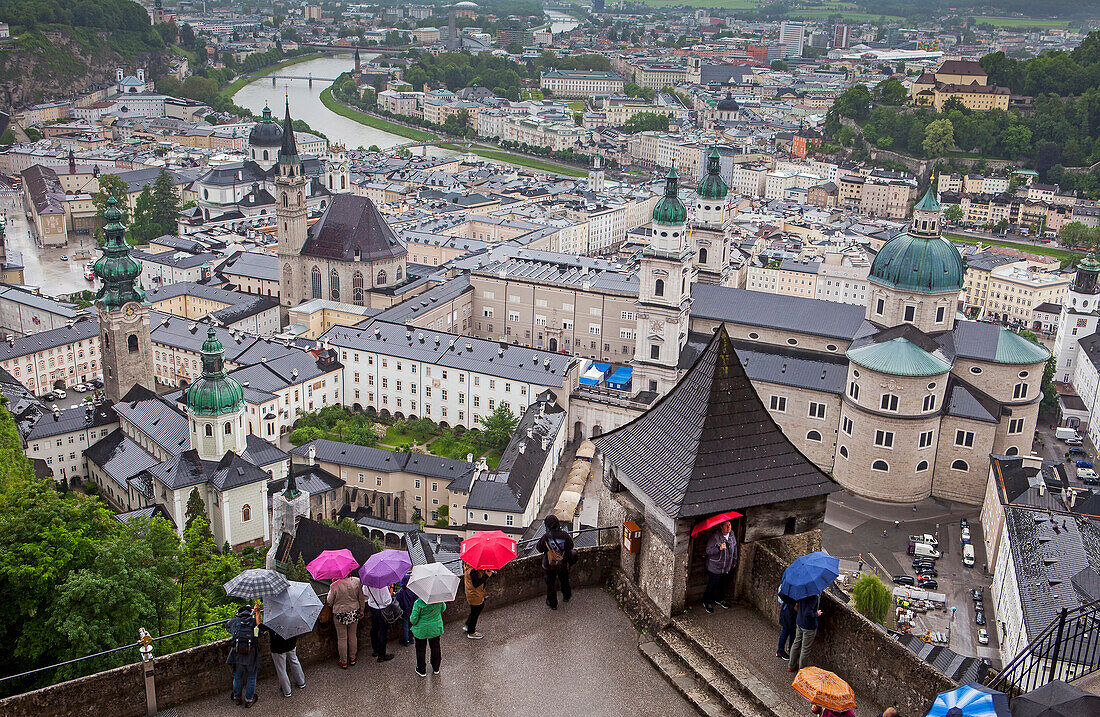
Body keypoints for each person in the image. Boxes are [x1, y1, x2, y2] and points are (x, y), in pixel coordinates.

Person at [326, 570, 365, 668]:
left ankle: (343, 661)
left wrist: (332, 585)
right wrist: (362, 610)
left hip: (340, 613)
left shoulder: (334, 585)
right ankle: (352, 658)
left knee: (342, 638)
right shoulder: (356, 581)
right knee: (352, 636)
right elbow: (361, 598)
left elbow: (329, 601)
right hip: (353, 611)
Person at [226, 602, 261, 707]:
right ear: (250, 612)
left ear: (238, 613)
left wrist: (236, 617)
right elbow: (259, 631)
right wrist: (255, 615)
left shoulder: (235, 621)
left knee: (237, 676)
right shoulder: (254, 621)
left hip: (237, 654)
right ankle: (249, 700)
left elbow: (228, 627)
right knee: (251, 677)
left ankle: (237, 698)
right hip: (251, 654)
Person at [536, 514, 574, 610]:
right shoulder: (564, 535)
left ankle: (552, 603)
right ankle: (566, 596)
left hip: (550, 563)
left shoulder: (546, 537)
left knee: (551, 583)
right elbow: (570, 546)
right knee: (564, 579)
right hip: (562, 562)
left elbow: (539, 548)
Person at [260, 625, 305, 699]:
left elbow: (261, 627)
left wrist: (257, 614)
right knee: (294, 661)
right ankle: (301, 682)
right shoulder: (291, 614)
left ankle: (287, 691)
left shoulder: (272, 618)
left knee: (281, 669)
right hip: (291, 642)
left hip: (278, 646)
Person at [703, 520, 738, 613]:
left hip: (727, 566)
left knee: (723, 584)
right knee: (712, 584)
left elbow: (735, 547)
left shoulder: (732, 534)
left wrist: (735, 560)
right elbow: (708, 551)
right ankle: (707, 602)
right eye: (726, 526)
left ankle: (719, 599)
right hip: (715, 566)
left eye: (730, 525)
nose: (729, 527)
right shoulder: (715, 537)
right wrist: (719, 548)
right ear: (721, 527)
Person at [409, 596, 446, 677]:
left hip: (421, 630)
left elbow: (413, 619)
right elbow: (443, 608)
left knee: (420, 650)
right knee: (435, 647)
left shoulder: (418, 603)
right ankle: (436, 668)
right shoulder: (438, 599)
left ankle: (421, 670)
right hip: (435, 628)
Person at [788, 591, 823, 672]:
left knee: (796, 643)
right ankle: (802, 672)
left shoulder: (802, 591)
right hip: (808, 626)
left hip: (800, 621)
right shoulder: (813, 596)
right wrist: (817, 614)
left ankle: (791, 665)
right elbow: (808, 613)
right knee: (805, 649)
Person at [364, 582, 395, 662]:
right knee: (383, 632)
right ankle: (382, 655)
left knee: (374, 629)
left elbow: (365, 592)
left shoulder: (368, 581)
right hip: (382, 609)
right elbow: (387, 600)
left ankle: (375, 650)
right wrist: (391, 588)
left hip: (372, 607)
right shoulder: (382, 584)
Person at [463, 565, 494, 639]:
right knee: (477, 610)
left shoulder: (469, 566)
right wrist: (486, 576)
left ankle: (468, 625)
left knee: (474, 610)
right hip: (475, 594)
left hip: (473, 593)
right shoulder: (473, 570)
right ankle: (471, 632)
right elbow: (476, 584)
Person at [394, 573, 416, 647]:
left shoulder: (400, 592)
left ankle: (406, 641)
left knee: (405, 627)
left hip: (404, 611)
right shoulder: (413, 590)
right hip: (412, 610)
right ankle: (412, 639)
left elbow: (397, 602)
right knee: (411, 625)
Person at [777, 589, 797, 660]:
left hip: (787, 611)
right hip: (789, 613)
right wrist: (793, 604)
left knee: (792, 632)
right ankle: (780, 651)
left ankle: (790, 650)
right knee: (786, 631)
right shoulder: (792, 585)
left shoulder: (788, 583)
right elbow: (781, 595)